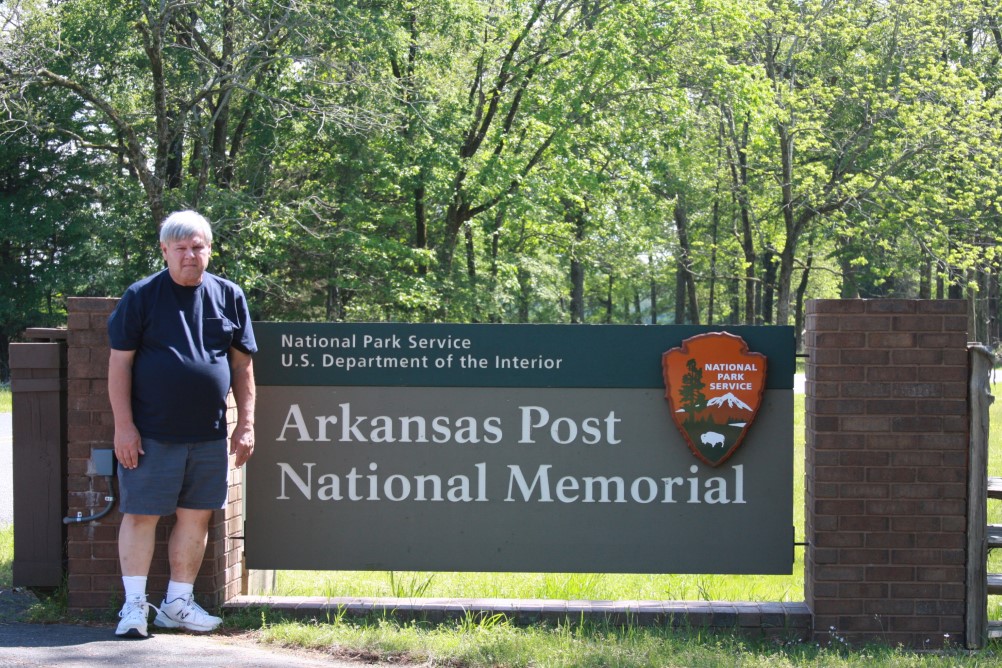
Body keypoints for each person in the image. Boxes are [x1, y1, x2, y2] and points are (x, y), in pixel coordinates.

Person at [107, 210, 256, 638]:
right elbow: (119, 366)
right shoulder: (141, 296)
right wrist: (124, 427)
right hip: (151, 433)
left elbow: (243, 366)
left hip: (209, 435)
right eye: (181, 248)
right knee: (140, 515)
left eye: (197, 247)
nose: (190, 255)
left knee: (196, 518)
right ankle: (134, 607)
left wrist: (245, 423)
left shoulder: (229, 295)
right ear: (165, 251)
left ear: (208, 250)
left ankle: (177, 604)